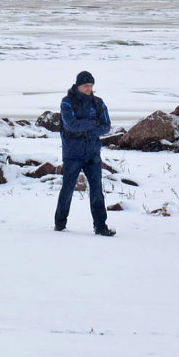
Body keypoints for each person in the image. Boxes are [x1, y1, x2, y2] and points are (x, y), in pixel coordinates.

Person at [54, 70, 116, 236]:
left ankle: (101, 226)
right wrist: (92, 124)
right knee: (67, 189)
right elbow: (71, 125)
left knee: (97, 190)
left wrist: (87, 128)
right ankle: (59, 225)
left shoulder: (98, 102)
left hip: (92, 153)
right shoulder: (66, 102)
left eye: (91, 85)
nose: (89, 89)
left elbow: (106, 126)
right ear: (78, 86)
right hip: (72, 154)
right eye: (85, 86)